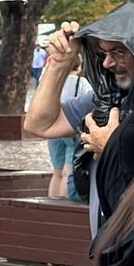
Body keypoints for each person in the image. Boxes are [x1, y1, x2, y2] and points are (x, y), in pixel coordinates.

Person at [24, 19, 134, 266]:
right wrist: (57, 63)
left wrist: (115, 147)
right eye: (102, 54)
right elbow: (37, 124)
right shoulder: (102, 101)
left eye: (119, 52)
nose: (109, 64)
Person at [45, 57, 92, 199]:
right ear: (79, 67)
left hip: (52, 127)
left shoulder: (54, 82)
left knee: (57, 170)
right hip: (71, 128)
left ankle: (52, 201)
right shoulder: (82, 82)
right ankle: (65, 202)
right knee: (68, 168)